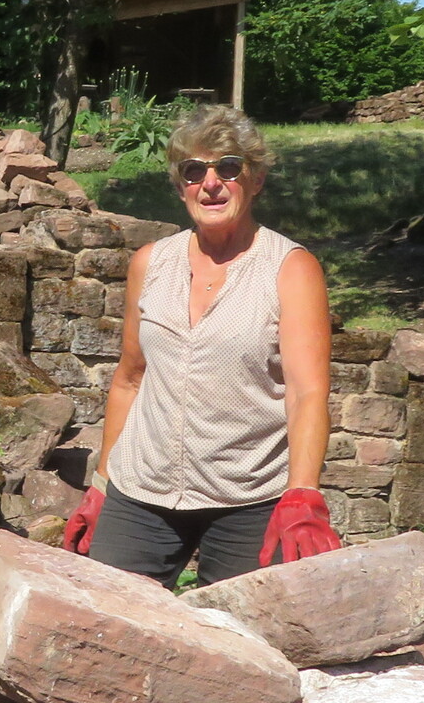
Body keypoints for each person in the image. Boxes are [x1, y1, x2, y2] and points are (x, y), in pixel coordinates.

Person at [66, 105, 339, 584]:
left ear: (256, 179)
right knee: (111, 615)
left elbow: (306, 392)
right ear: (181, 187)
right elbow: (130, 379)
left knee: (242, 625)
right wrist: (101, 485)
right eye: (194, 171)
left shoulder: (291, 269)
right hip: (142, 491)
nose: (211, 183)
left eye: (228, 168)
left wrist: (302, 493)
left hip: (249, 495)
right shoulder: (151, 263)